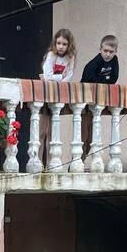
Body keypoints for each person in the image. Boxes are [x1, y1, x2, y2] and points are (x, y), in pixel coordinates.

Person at [37, 29, 76, 168]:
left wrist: (56, 79)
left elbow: (69, 77)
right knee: (42, 131)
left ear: (69, 45)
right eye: (58, 43)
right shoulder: (51, 55)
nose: (61, 46)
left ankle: (49, 164)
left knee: (52, 132)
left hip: (57, 96)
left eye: (64, 44)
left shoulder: (70, 58)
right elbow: (47, 76)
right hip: (45, 94)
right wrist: (59, 78)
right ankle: (38, 163)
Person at [80, 35, 119, 158]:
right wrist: (104, 80)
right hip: (86, 101)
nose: (108, 54)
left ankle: (83, 159)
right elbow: (91, 81)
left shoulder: (114, 61)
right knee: (85, 135)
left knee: (93, 135)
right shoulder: (93, 64)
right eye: (105, 51)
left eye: (111, 52)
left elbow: (113, 78)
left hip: (99, 100)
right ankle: (78, 161)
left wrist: (103, 81)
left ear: (116, 51)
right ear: (100, 49)